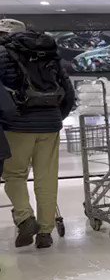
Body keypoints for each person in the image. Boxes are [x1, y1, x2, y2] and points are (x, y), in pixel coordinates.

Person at [0, 19, 76, 249]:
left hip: (16, 124)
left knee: (14, 175)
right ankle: (45, 232)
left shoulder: (2, 53)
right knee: (47, 178)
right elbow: (68, 91)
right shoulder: (47, 51)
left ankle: (25, 218)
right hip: (50, 125)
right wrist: (55, 117)